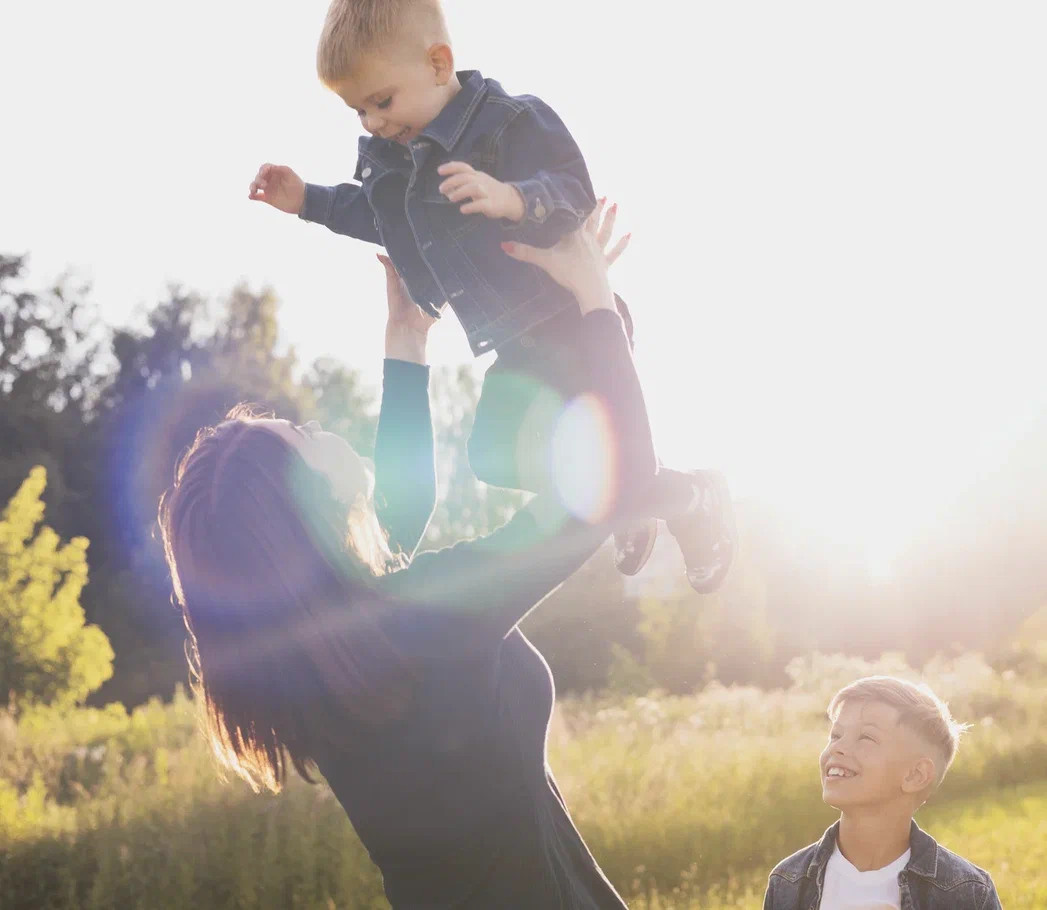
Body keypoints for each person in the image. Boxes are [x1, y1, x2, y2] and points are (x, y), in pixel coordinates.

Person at [159, 208, 673, 907]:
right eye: (306, 436)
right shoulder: (412, 620)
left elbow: (394, 517)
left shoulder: (317, 659)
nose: (320, 429)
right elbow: (616, 482)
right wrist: (596, 303)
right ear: (309, 507)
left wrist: (405, 339)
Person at [247, 0, 736, 593]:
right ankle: (626, 501)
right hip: (513, 343)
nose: (373, 122)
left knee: (616, 464)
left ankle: (690, 495)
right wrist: (309, 202)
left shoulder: (508, 121)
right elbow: (384, 218)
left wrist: (513, 198)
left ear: (437, 63)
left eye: (382, 101)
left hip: (571, 318)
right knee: (492, 456)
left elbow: (572, 185)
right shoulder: (396, 163)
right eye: (358, 111)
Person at [763, 676, 1003, 910]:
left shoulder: (968, 894)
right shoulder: (788, 882)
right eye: (836, 735)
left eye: (866, 737)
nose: (837, 747)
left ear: (915, 775)